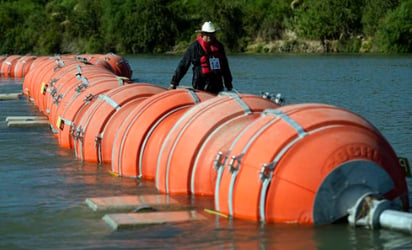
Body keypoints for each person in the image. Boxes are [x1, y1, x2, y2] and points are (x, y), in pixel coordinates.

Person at [169, 21, 233, 94]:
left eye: (212, 34)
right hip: (200, 85)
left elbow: (225, 66)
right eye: (207, 34)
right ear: (202, 34)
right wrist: (174, 82)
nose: (210, 36)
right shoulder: (194, 47)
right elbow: (183, 65)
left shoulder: (219, 47)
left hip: (216, 85)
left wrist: (228, 83)